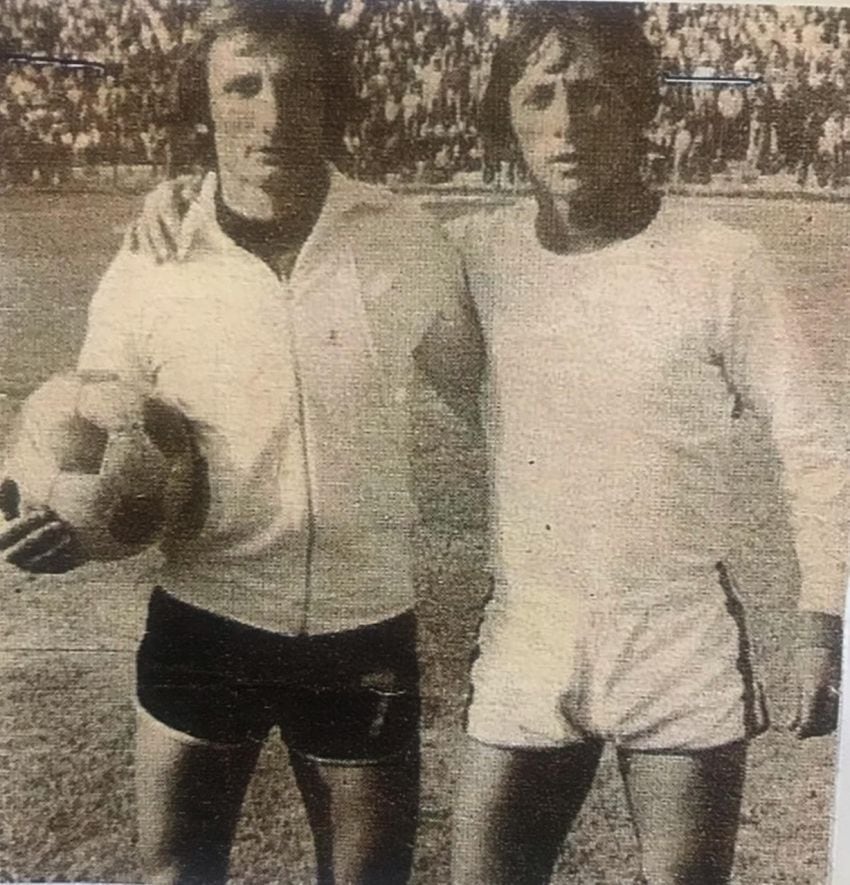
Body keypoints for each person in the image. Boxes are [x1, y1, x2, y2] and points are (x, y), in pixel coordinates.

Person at [0, 2, 482, 883]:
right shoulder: (152, 260)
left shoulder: (407, 242)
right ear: (207, 104)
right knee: (178, 873)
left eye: (298, 86)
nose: (271, 113)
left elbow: (495, 403)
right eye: (243, 86)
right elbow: (88, 437)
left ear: (333, 99)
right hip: (205, 619)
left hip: (362, 623)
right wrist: (64, 534)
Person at [445, 4, 847, 884]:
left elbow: (814, 442)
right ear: (508, 114)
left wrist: (823, 623)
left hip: (675, 635)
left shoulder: (719, 260)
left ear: (639, 105)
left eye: (592, 94)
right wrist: (190, 199)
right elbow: (344, 256)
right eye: (539, 96)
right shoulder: (473, 253)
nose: (565, 123)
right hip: (529, 626)